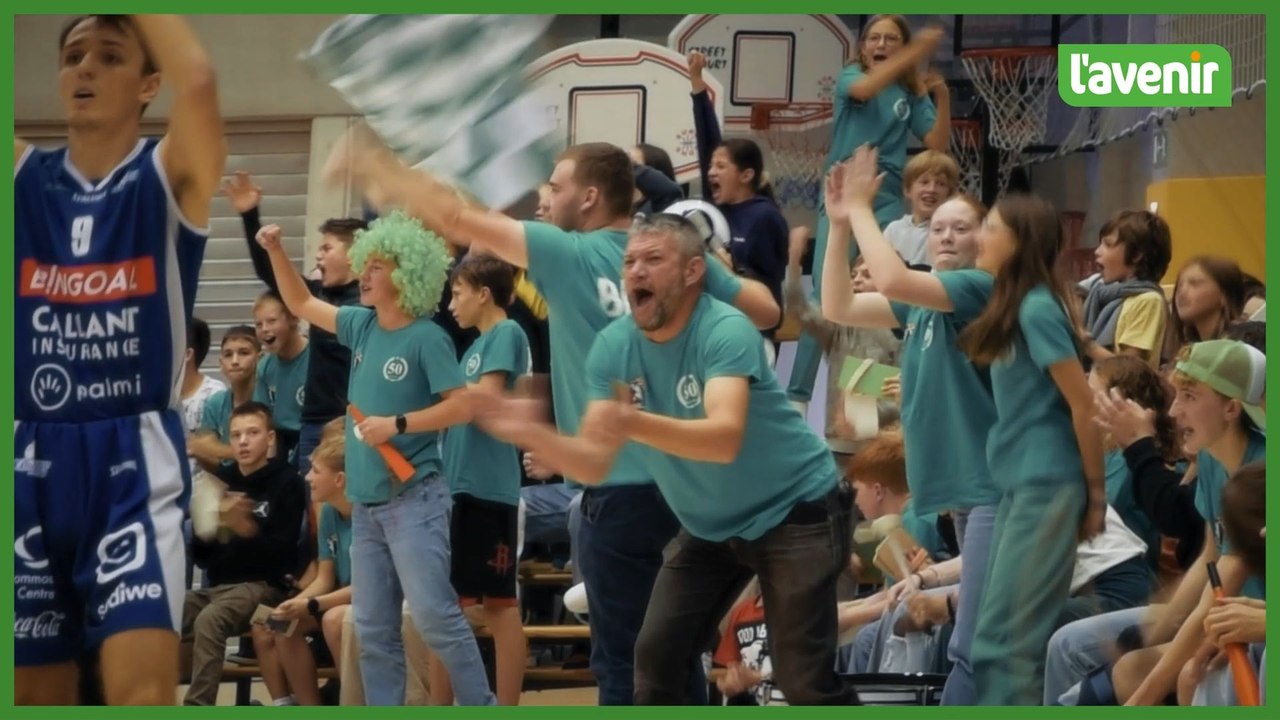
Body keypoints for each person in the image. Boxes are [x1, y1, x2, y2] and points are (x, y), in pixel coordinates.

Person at [325, 132, 780, 706]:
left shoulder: (569, 253)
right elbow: (766, 309)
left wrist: (375, 164)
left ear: (589, 198)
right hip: (691, 487)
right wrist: (711, 265)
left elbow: (454, 216)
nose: (546, 197)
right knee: (672, 651)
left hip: (619, 484)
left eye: (556, 187)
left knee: (621, 659)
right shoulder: (670, 256)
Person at [472, 214, 861, 706]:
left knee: (801, 675)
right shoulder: (614, 347)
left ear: (693, 271)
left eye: (653, 259)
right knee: (655, 659)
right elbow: (593, 464)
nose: (636, 271)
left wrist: (632, 422)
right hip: (711, 526)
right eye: (630, 261)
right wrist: (530, 431)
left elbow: (723, 438)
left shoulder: (724, 329)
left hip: (796, 509)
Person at [14, 14, 223, 705]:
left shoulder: (168, 176)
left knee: (141, 695)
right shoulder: (23, 176)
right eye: (74, 56)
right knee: (33, 695)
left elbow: (198, 78)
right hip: (28, 457)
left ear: (147, 83)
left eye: (109, 57)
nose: (86, 70)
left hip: (134, 461)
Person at [256, 214, 495, 706]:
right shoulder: (360, 325)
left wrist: (399, 425)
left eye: (377, 266)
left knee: (435, 617)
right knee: (372, 628)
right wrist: (277, 250)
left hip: (415, 501)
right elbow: (300, 301)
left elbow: (462, 404)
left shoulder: (428, 337)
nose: (364, 274)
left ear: (407, 275)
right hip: (367, 508)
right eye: (364, 265)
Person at [820, 152, 999, 705]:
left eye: (959, 227)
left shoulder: (976, 289)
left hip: (996, 487)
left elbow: (893, 274)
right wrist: (839, 226)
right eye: (938, 227)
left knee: (976, 647)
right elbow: (838, 304)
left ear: (983, 241)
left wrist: (861, 207)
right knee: (973, 643)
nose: (945, 236)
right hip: (963, 492)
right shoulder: (922, 306)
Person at [953, 184, 1105, 704]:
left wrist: (1096, 495)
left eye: (991, 227)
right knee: (992, 642)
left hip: (1047, 486)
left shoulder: (1038, 308)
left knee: (1005, 649)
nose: (979, 237)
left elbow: (1083, 405)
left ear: (1020, 241)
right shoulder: (1012, 304)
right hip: (1019, 485)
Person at [788, 15, 949, 410]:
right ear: (862, 48)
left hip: (888, 195)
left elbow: (936, 142)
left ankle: (879, 390)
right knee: (829, 296)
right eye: (874, 38)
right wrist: (914, 53)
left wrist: (941, 95)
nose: (881, 43)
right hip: (844, 194)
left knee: (887, 290)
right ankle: (798, 397)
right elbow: (867, 85)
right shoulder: (851, 78)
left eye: (891, 39)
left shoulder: (911, 93)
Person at [222, 170, 366, 478]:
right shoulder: (317, 294)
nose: (318, 255)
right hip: (313, 422)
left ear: (356, 254)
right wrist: (250, 215)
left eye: (327, 248)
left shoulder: (372, 302)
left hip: (354, 420)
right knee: (313, 516)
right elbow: (270, 274)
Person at [434, 254, 532, 706]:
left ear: (483, 294)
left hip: (488, 490)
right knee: (447, 608)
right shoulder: (471, 349)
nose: (451, 303)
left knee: (497, 607)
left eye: (457, 292)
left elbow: (486, 398)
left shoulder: (506, 333)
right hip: (459, 486)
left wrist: (430, 391)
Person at [182, 402, 307, 706]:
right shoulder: (220, 481)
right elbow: (202, 557)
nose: (243, 441)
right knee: (164, 611)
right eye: (236, 435)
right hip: (217, 588)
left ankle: (197, 707)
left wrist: (246, 528)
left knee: (210, 620)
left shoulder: (288, 482)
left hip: (263, 587)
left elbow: (283, 554)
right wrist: (208, 527)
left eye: (252, 433)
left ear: (270, 438)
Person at [688, 50, 789, 345]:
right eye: (710, 167)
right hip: (713, 330)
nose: (711, 172)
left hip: (754, 336)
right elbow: (707, 140)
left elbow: (769, 290)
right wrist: (696, 83)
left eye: (721, 167)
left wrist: (731, 270)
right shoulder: (714, 206)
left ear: (746, 175)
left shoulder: (764, 217)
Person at [252, 434, 352, 706]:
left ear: (340, 479)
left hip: (367, 604)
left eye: (316, 471)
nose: (307, 477)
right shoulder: (329, 513)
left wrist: (310, 604)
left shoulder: (368, 517)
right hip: (332, 601)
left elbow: (366, 587)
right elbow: (325, 577)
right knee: (275, 621)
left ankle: (356, 701)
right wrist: (294, 603)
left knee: (331, 618)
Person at [1082, 210, 1173, 369]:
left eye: (1108, 244)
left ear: (1136, 254)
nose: (1097, 251)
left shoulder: (1148, 300)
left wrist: (1084, 342)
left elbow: (1129, 369)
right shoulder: (1102, 291)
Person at [251, 292, 311, 467]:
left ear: (293, 319)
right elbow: (263, 416)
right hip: (281, 442)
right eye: (258, 324)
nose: (264, 329)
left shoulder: (315, 359)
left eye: (271, 321)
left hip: (311, 437)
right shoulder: (264, 367)